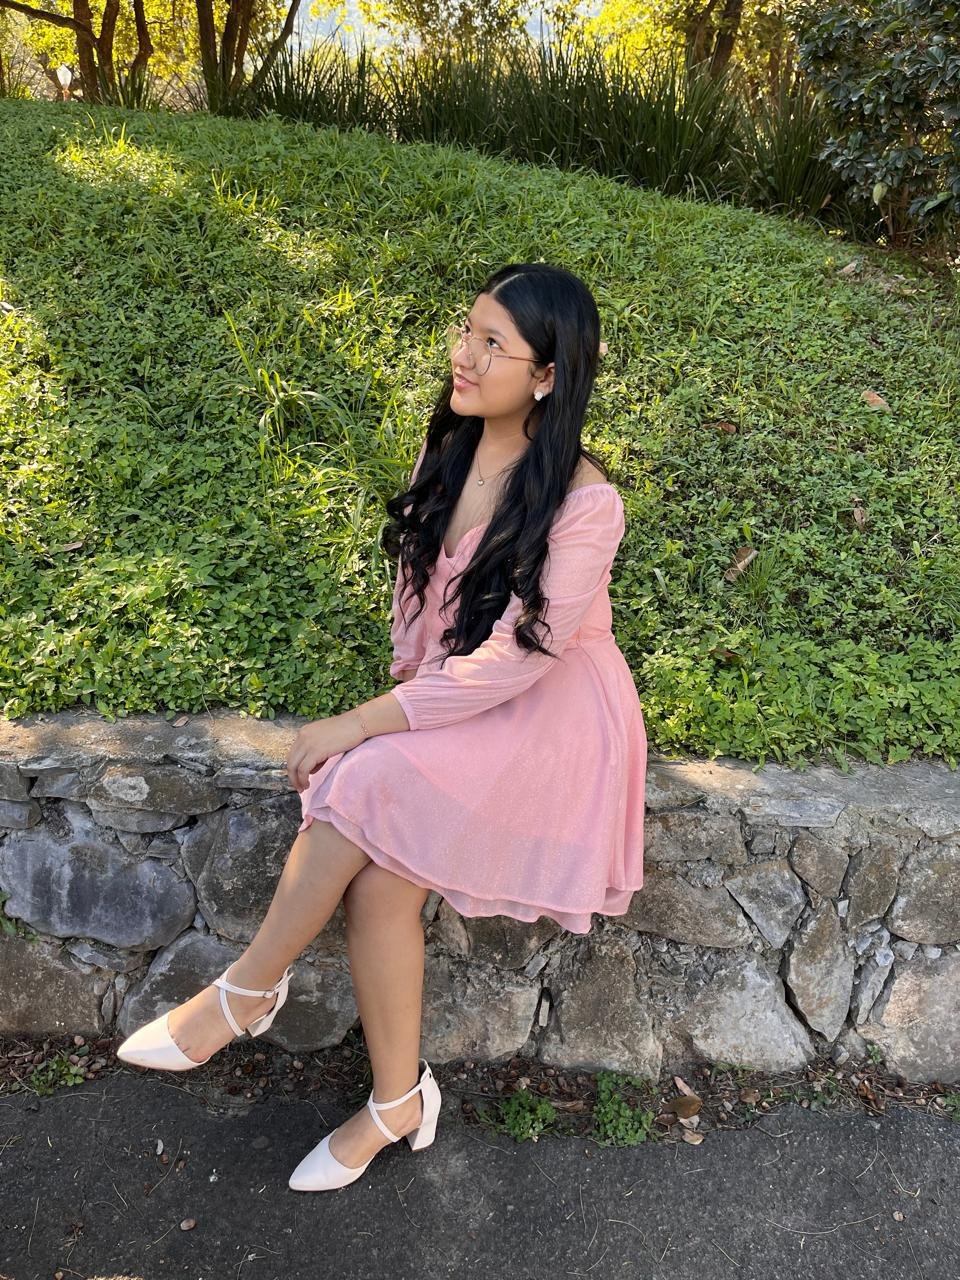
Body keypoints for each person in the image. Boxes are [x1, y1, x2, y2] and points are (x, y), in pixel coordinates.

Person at [116, 261, 647, 1192]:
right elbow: (421, 596)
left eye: (493, 344)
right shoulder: (451, 447)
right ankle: (398, 1102)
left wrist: (370, 723)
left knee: (360, 781)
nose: (465, 355)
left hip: (553, 719)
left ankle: (245, 992)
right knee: (379, 886)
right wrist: (409, 697)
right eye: (467, 330)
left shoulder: (585, 501)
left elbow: (522, 658)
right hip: (461, 698)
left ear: (547, 375)